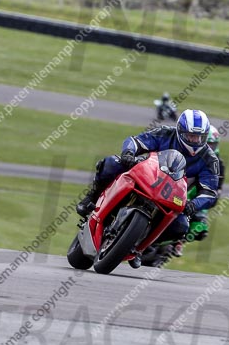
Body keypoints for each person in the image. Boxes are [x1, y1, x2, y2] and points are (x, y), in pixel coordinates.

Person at [76, 109, 220, 262]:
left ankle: (142, 247)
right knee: (112, 163)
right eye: (190, 136)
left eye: (199, 138)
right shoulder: (165, 133)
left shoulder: (209, 160)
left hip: (173, 196)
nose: (194, 141)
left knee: (181, 226)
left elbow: (210, 192)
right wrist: (129, 153)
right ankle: (91, 197)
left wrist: (194, 204)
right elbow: (136, 141)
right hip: (146, 174)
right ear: (180, 131)